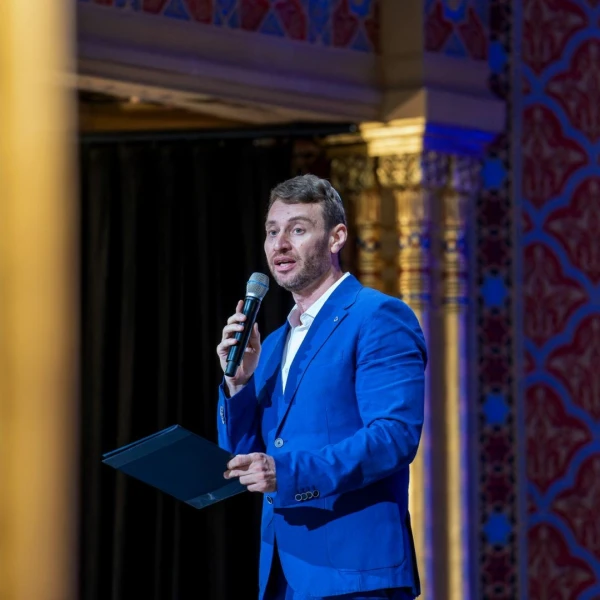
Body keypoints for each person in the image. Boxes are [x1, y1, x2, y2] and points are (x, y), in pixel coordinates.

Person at [216, 174, 427, 600]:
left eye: (297, 229)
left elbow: (393, 438)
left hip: (355, 575)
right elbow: (245, 457)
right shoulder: (273, 344)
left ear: (336, 237)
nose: (279, 245)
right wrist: (238, 384)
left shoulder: (378, 316)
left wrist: (289, 472)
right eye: (272, 232)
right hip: (283, 574)